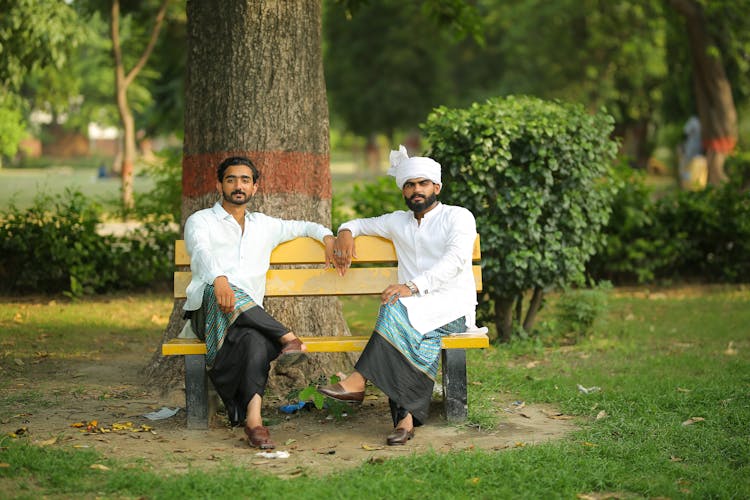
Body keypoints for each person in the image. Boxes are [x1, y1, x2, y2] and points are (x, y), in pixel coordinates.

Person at [318, 145, 481, 445]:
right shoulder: (398, 221)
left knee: (395, 309)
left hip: (453, 309)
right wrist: (344, 233)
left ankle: (359, 381)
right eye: (409, 185)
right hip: (412, 310)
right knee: (403, 321)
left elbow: (456, 260)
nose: (416, 190)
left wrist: (412, 286)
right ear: (404, 191)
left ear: (437, 187)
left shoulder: (458, 217)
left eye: (422, 183)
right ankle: (404, 421)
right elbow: (357, 223)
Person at [183, 156, 334, 449]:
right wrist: (219, 279)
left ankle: (253, 421)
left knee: (255, 341)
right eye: (231, 179)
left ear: (254, 187)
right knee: (225, 290)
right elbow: (201, 251)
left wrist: (328, 237)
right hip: (209, 309)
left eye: (245, 180)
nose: (238, 186)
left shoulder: (265, 225)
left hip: (247, 320)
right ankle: (288, 339)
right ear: (219, 185)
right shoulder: (200, 220)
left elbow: (306, 227)